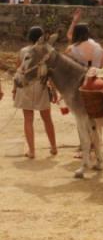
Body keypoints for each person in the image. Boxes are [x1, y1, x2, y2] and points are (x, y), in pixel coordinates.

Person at [13, 26, 57, 159]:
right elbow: (50, 73)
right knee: (47, 118)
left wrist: (14, 89)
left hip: (25, 86)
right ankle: (53, 147)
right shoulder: (47, 52)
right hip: (41, 86)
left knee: (28, 119)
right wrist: (54, 90)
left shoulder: (23, 51)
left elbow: (19, 71)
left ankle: (32, 151)